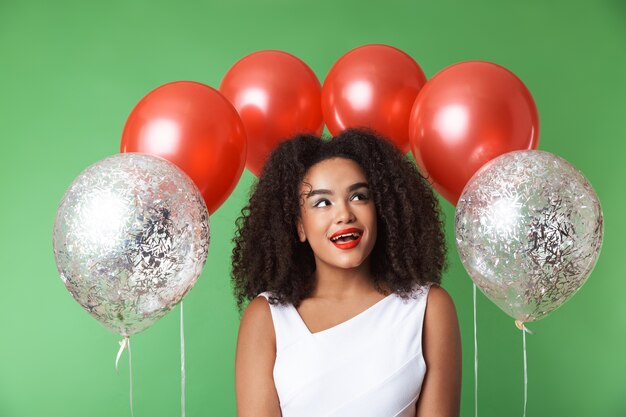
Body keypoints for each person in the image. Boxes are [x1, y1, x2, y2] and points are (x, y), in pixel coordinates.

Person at [231, 128, 461, 417]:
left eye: (359, 196)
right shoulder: (267, 317)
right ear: (300, 226)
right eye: (322, 202)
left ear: (382, 211)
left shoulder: (428, 308)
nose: (344, 214)